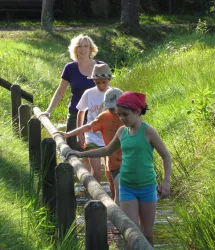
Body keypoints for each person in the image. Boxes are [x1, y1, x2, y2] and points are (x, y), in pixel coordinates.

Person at [65, 91, 172, 247]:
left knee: (147, 234)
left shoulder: (148, 131)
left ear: (137, 111)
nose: (121, 118)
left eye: (125, 115)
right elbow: (107, 150)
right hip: (127, 187)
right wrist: (81, 154)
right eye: (119, 115)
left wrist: (166, 181)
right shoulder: (122, 131)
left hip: (147, 187)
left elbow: (166, 156)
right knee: (131, 233)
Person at [56, 88, 123, 205]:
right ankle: (111, 214)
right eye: (111, 109)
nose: (114, 112)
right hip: (112, 162)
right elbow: (88, 127)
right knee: (114, 190)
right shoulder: (104, 117)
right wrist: (69, 134)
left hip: (128, 163)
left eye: (116, 109)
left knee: (123, 194)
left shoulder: (128, 118)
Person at [40, 34, 104, 151]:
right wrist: (48, 111)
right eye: (79, 46)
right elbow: (60, 92)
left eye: (86, 46)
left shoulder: (100, 66)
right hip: (75, 114)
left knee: (94, 151)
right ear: (75, 49)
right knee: (74, 150)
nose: (83, 49)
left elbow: (107, 92)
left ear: (91, 49)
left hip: (96, 115)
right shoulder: (70, 67)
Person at [75, 63, 115, 182]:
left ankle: (113, 197)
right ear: (94, 81)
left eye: (104, 82)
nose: (101, 85)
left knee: (110, 171)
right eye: (98, 83)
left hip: (110, 136)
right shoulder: (89, 93)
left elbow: (122, 115)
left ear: (109, 80)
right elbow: (81, 112)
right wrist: (80, 134)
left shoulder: (115, 94)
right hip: (92, 135)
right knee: (96, 169)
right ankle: (94, 196)